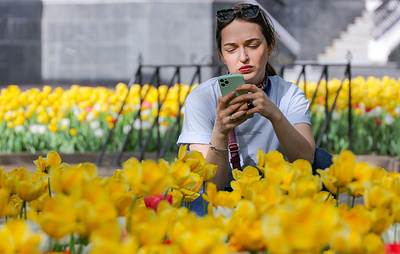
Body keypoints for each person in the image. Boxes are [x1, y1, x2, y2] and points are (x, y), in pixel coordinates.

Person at [177, 3, 331, 213]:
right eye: (231, 49)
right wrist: (220, 131)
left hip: (275, 191)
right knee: (191, 177)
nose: (243, 58)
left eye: (252, 45)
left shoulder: (289, 94)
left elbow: (305, 160)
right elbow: (209, 186)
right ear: (222, 55)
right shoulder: (202, 97)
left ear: (269, 47)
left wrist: (275, 115)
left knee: (322, 159)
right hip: (224, 193)